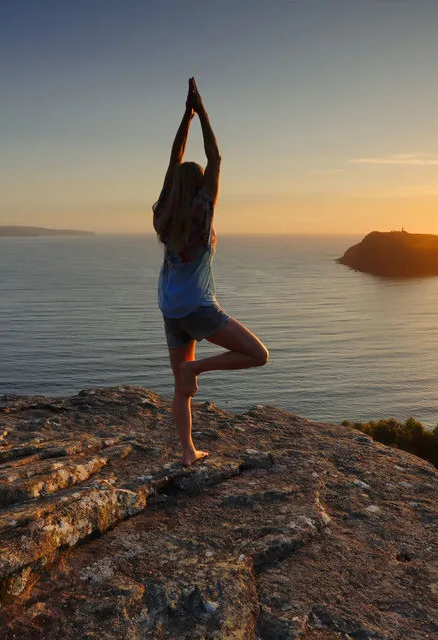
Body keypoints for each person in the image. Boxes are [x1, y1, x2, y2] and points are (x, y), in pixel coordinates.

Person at [153, 78, 269, 466]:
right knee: (258, 354)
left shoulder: (162, 215)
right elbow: (215, 159)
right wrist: (201, 112)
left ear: (172, 189)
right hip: (198, 308)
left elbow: (173, 161)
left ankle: (188, 452)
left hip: (170, 308)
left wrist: (184, 119)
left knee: (180, 388)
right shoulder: (202, 217)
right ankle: (197, 366)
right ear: (199, 186)